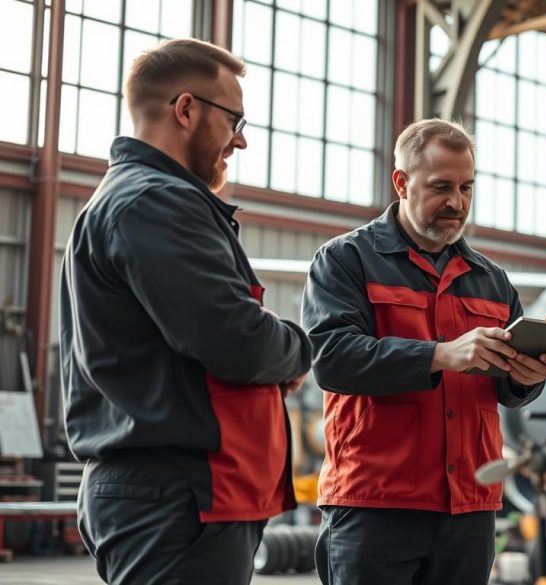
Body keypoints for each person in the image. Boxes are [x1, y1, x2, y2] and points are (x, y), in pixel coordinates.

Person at [59, 38, 311, 584]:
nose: (239, 140)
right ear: (187, 108)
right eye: (234, 120)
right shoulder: (154, 200)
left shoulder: (148, 198)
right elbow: (236, 339)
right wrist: (297, 350)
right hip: (176, 498)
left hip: (180, 496)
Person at [302, 118, 546, 585]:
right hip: (375, 503)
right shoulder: (345, 261)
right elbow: (332, 358)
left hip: (469, 506)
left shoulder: (493, 280)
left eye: (466, 187)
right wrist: (440, 355)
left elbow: (508, 392)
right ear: (401, 182)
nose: (457, 203)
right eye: (441, 187)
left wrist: (527, 373)